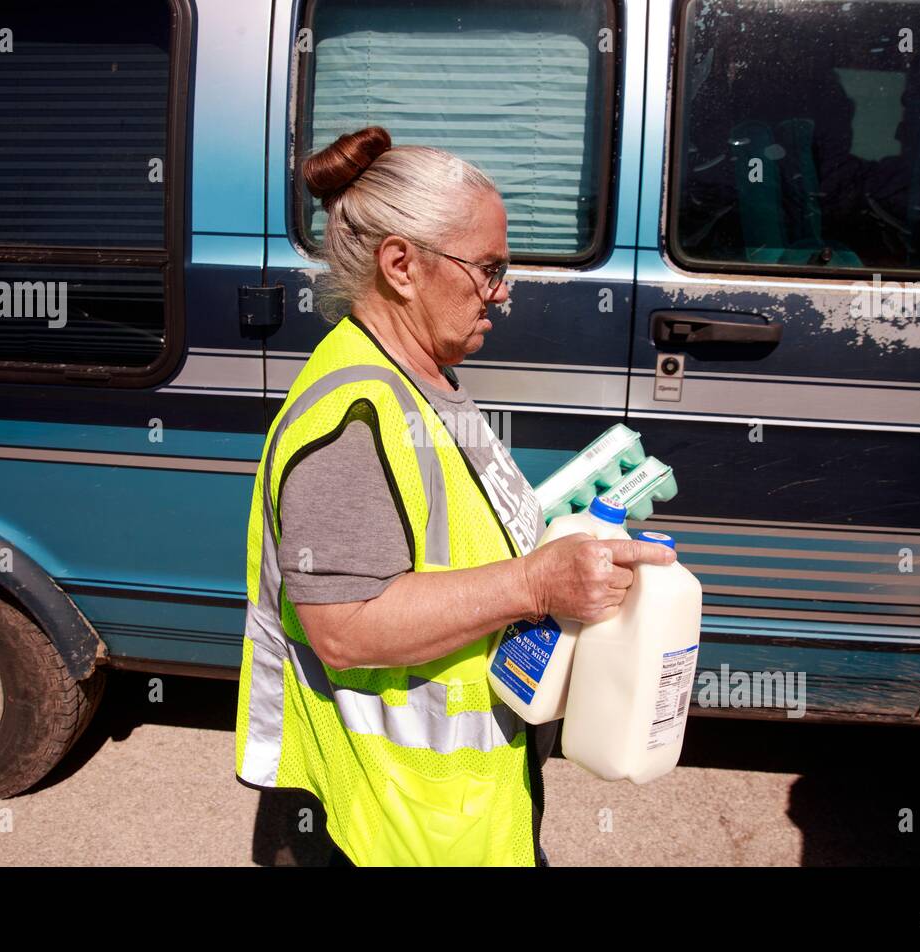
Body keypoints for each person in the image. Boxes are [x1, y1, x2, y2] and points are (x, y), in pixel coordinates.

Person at [233, 125, 677, 867]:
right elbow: (344, 627)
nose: (504, 292)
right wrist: (536, 582)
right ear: (401, 264)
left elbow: (448, 544)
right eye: (489, 268)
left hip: (450, 814)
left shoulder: (421, 376)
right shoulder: (353, 418)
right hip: (385, 828)